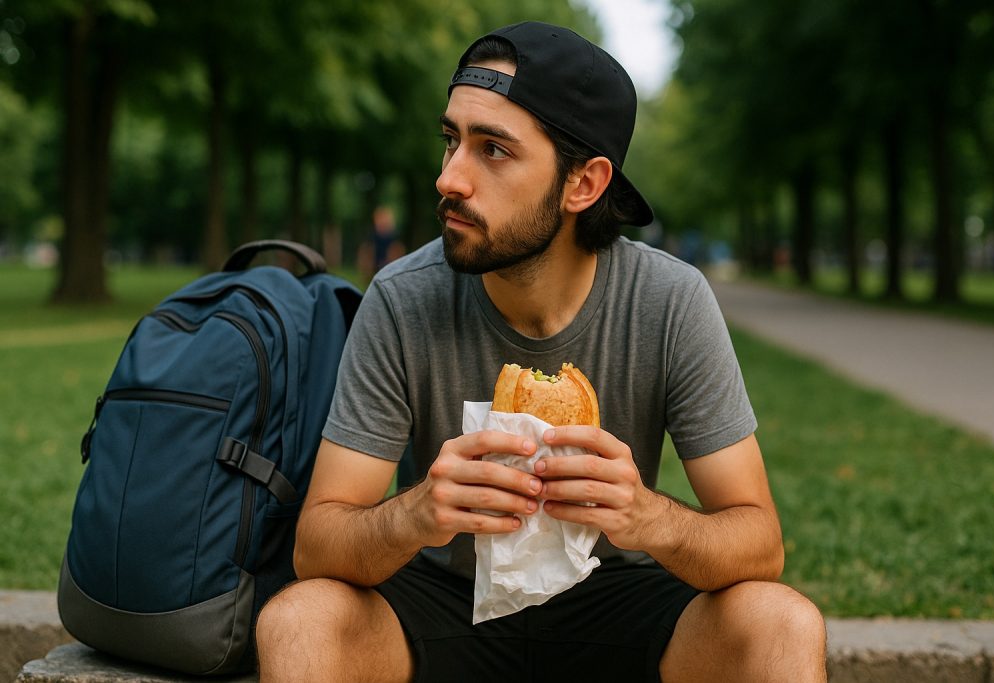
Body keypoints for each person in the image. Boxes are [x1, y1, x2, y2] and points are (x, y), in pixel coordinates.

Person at [256, 21, 827, 682]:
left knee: (781, 622)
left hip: (618, 604)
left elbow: (759, 544)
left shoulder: (669, 300)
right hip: (444, 603)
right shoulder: (403, 297)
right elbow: (317, 545)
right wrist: (417, 513)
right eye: (451, 141)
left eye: (492, 149)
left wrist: (647, 515)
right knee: (300, 620)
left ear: (583, 184)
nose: (451, 178)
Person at [357, 205, 406, 282]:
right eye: (379, 219)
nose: (382, 222)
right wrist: (366, 270)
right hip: (375, 269)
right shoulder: (371, 237)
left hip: (389, 269)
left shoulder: (394, 237)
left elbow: (398, 254)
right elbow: (365, 253)